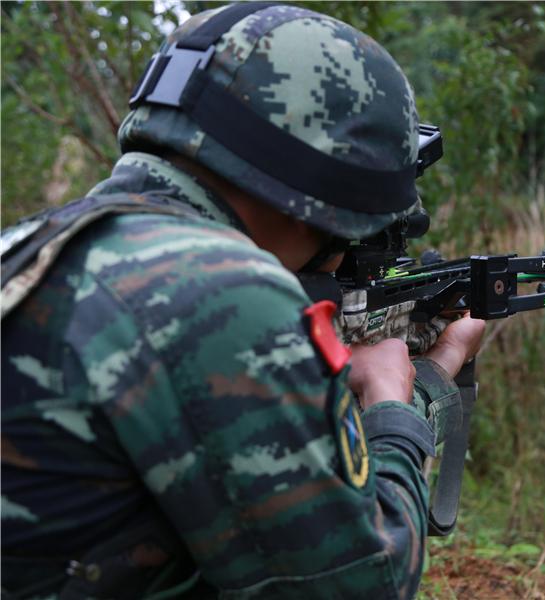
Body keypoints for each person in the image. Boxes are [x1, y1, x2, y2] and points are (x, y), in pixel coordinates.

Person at [1, 4, 484, 599]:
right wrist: (397, 397)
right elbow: (363, 584)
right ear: (327, 198)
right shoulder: (220, 292)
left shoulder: (31, 245)